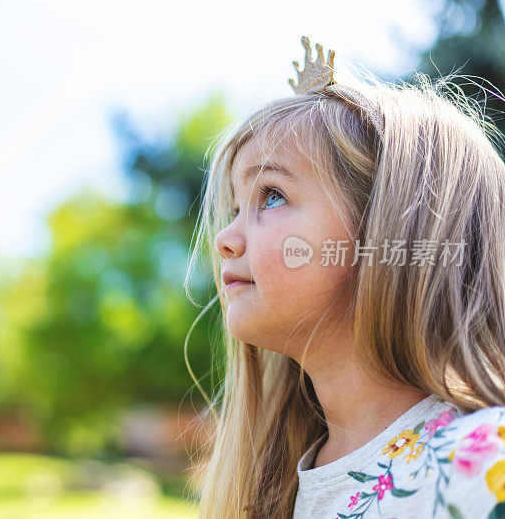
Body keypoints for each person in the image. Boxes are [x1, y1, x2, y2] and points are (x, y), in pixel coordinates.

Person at [185, 35, 505, 518]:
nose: (224, 239)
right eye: (234, 207)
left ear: (387, 228)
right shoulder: (275, 489)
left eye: (270, 195)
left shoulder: (485, 465)